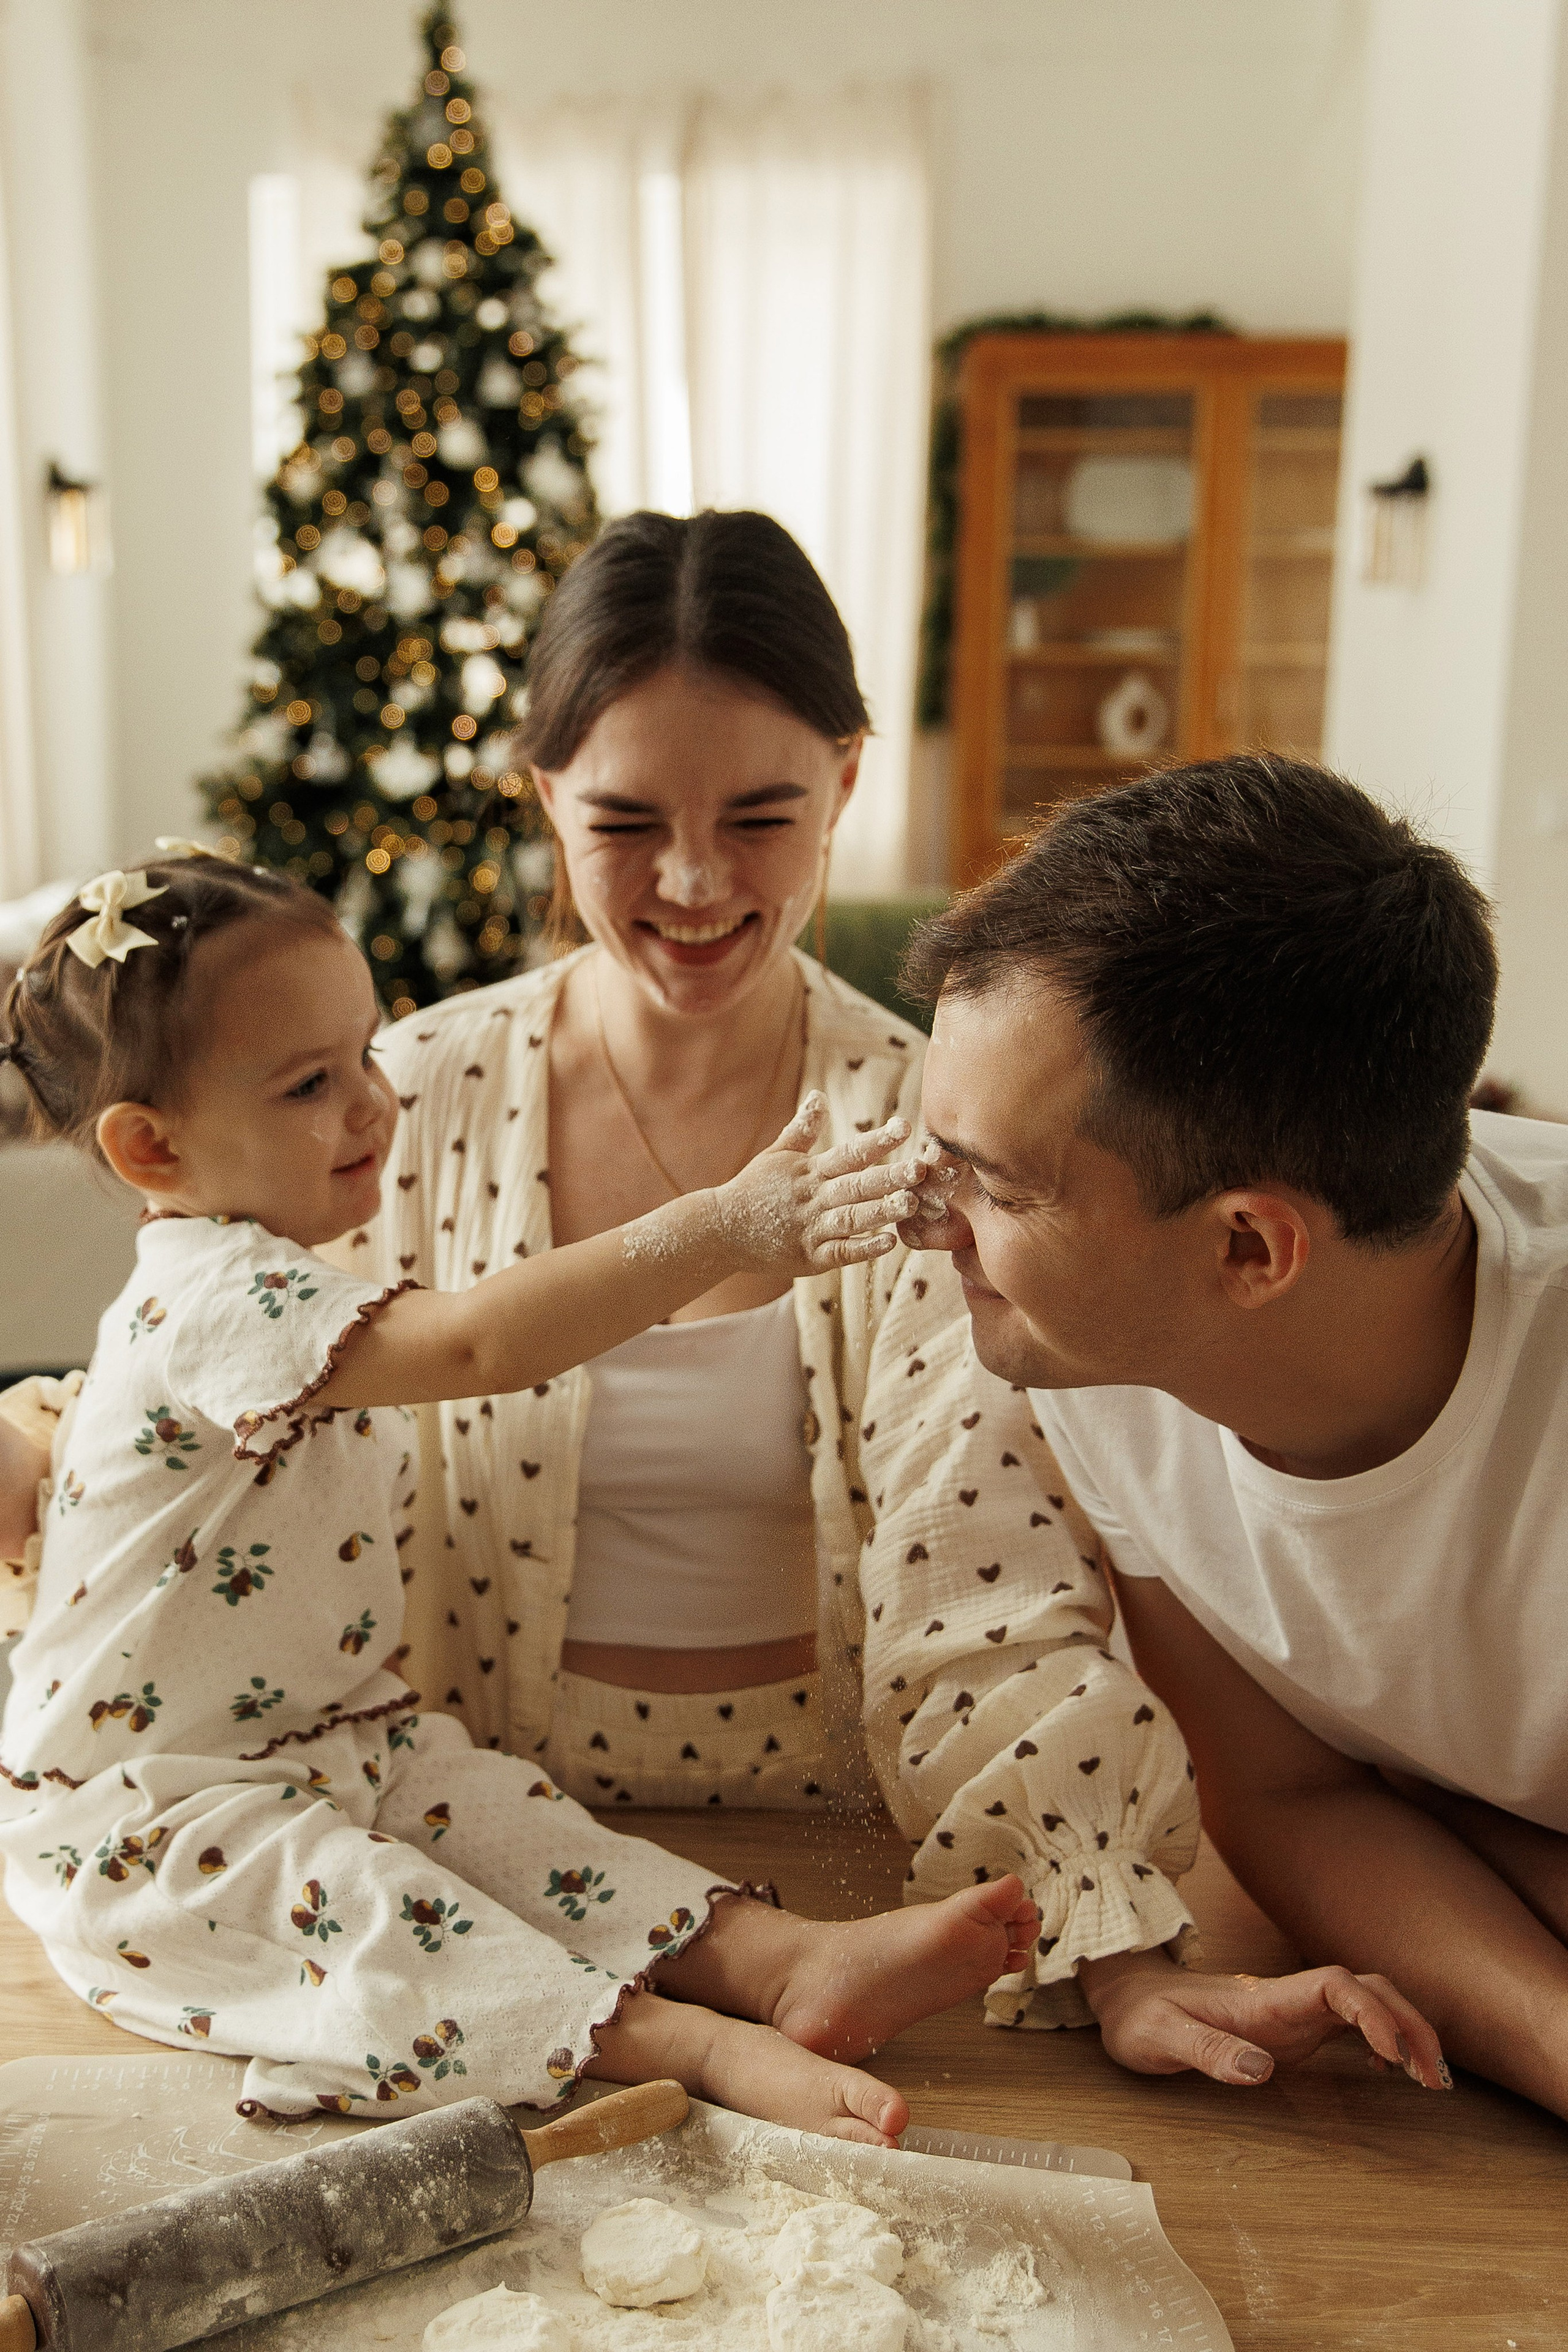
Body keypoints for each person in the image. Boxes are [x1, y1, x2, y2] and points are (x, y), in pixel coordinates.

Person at [328, 511, 1441, 2093]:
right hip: (465, 1849)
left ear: (849, 780)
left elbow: (982, 1554)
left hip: (857, 1869)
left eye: (763, 815)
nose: (696, 880)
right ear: (542, 797)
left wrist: (1106, 1946)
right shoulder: (407, 1101)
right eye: (626, 821)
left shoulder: (948, 1128)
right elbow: (255, 1409)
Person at [0, 845, 1044, 2138]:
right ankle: (688, 2046)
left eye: (367, 1055)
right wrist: (715, 1227)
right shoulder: (218, 1291)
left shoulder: (263, 1282)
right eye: (310, 1084)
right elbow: (480, 1343)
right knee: (389, 1929)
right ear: (152, 1145)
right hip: (152, 1815)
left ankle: (779, 1962)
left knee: (519, 1830)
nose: (375, 1106)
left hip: (328, 1745)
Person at [900, 749, 1568, 2106]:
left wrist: (1455, 1833)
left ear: (1252, 1249)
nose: (927, 1224)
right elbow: (1284, 1795)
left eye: (993, 1188)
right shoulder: (1100, 1353)